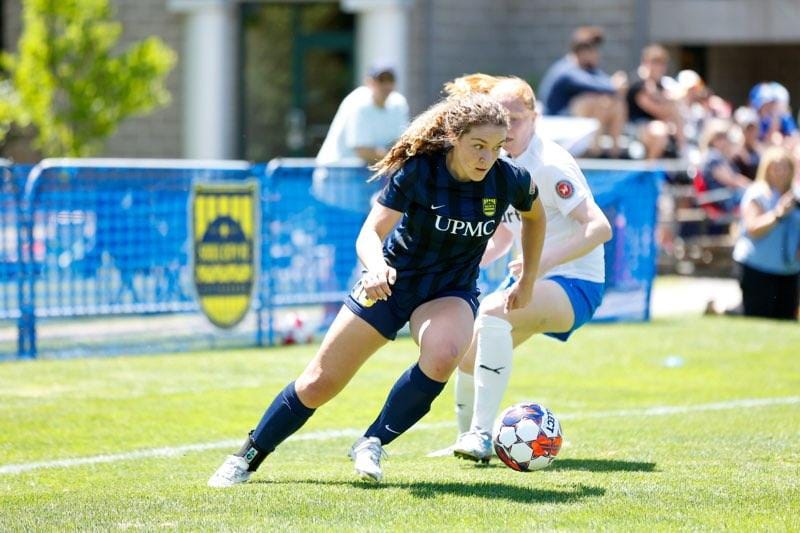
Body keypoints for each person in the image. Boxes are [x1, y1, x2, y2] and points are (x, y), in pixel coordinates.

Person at [208, 92, 547, 487]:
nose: (487, 157)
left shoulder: (510, 179)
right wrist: (377, 267)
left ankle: (372, 441)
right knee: (319, 383)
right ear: (454, 137)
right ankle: (247, 457)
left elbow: (535, 218)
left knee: (444, 356)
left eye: (497, 147)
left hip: (450, 290)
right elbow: (371, 232)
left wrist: (528, 280)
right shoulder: (420, 171)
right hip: (392, 282)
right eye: (478, 146)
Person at [438, 74, 612, 462]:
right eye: (502, 119)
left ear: (535, 118)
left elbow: (600, 227)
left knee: (492, 311)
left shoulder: (550, 164)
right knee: (467, 349)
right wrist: (462, 262)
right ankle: (466, 440)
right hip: (533, 279)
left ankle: (481, 435)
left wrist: (541, 262)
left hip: (576, 284)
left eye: (516, 119)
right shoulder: (500, 163)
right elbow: (504, 234)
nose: (509, 128)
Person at [537, 26, 627, 158]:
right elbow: (596, 85)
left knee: (612, 102)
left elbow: (606, 84)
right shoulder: (566, 69)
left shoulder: (588, 69)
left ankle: (615, 153)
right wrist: (615, 84)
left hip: (573, 121)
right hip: (555, 120)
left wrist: (616, 85)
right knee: (591, 101)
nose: (597, 54)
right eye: (593, 50)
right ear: (583, 51)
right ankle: (593, 151)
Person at [732, 146, 800, 319]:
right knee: (758, 317)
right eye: (775, 167)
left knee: (785, 319)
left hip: (789, 269)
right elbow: (753, 229)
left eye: (785, 167)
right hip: (757, 267)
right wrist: (778, 214)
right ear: (766, 169)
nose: (780, 172)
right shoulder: (757, 193)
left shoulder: (796, 195)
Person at [316, 63, 409, 167]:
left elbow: (400, 142)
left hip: (369, 169)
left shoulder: (398, 103)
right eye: (381, 80)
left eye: (390, 80)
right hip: (336, 168)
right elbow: (363, 151)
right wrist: (395, 160)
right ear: (369, 81)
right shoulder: (359, 102)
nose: (386, 85)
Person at [626, 44, 686, 159]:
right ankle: (649, 167)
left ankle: (683, 151)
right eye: (655, 62)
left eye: (662, 63)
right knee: (660, 131)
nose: (659, 67)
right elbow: (659, 111)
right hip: (636, 127)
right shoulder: (637, 83)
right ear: (645, 63)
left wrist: (658, 95)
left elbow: (675, 104)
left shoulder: (662, 85)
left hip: (657, 125)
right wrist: (665, 102)